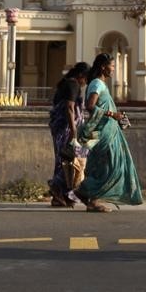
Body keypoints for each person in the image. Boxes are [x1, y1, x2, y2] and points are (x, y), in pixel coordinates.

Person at [74, 53, 142, 212]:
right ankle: (84, 192)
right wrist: (112, 114)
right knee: (110, 167)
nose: (113, 69)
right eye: (111, 66)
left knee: (104, 167)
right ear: (103, 67)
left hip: (108, 131)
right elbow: (90, 106)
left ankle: (91, 199)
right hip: (104, 133)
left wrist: (117, 118)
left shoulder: (98, 84)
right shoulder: (97, 83)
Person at [47, 61, 89, 208]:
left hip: (62, 127)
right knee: (69, 159)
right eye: (86, 79)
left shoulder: (68, 83)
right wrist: (73, 131)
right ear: (81, 76)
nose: (85, 83)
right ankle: (57, 190)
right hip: (65, 128)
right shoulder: (73, 85)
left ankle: (65, 194)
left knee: (69, 160)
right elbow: (70, 108)